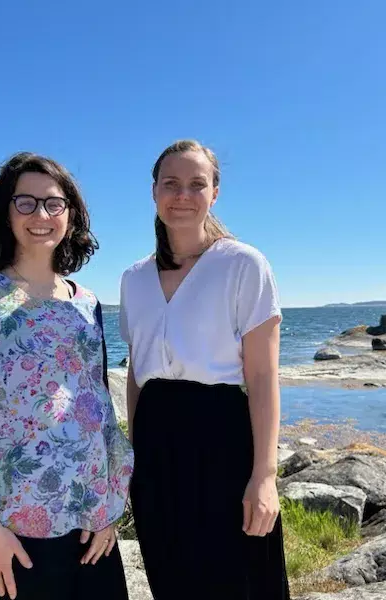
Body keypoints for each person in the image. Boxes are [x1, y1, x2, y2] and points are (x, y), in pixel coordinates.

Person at [0, 152, 134, 600]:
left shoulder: (88, 302)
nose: (41, 215)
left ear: (71, 216)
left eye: (53, 204)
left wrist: (111, 509)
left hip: (90, 525)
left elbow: (100, 408)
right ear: (6, 212)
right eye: (26, 203)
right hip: (13, 533)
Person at [119, 140, 290, 599]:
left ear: (214, 193)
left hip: (223, 439)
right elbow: (139, 372)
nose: (182, 195)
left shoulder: (243, 265)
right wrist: (135, 456)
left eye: (197, 184)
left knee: (241, 578)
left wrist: (265, 476)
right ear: (154, 192)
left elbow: (261, 378)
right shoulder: (134, 278)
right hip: (156, 445)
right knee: (171, 574)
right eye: (171, 183)